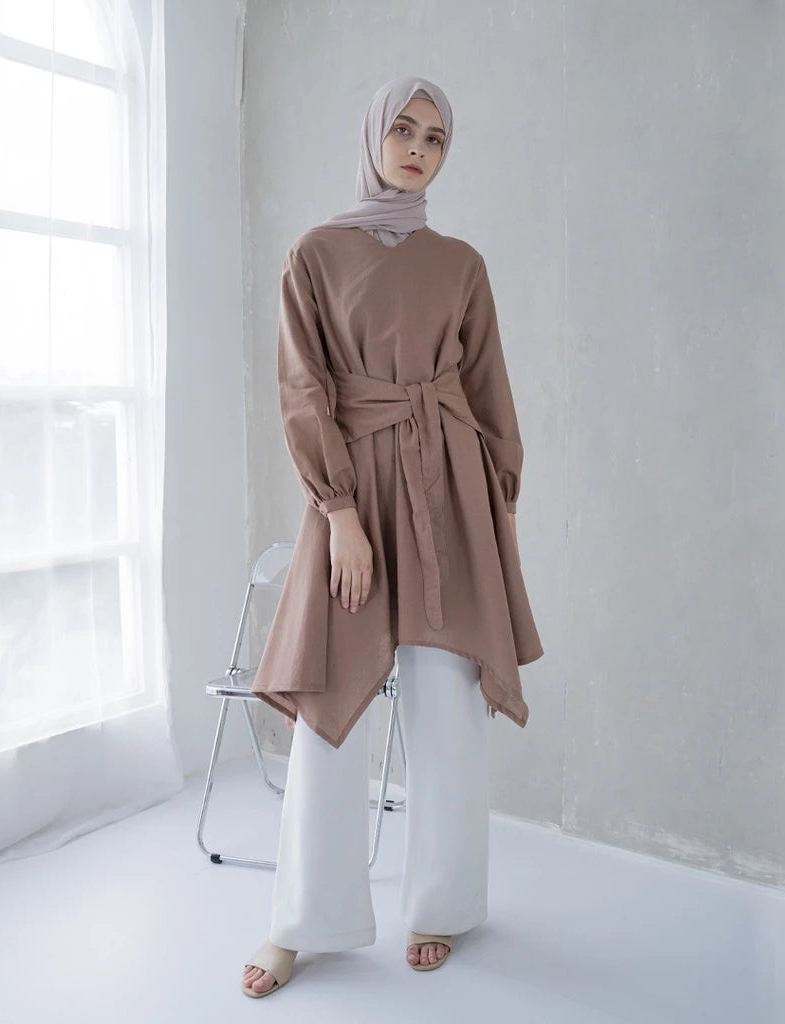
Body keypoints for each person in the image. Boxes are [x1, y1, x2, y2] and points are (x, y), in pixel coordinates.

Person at [242, 75, 544, 999]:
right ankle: (305, 922)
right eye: (404, 129)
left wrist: (493, 505)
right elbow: (304, 391)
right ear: (373, 133)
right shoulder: (314, 254)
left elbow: (489, 391)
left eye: (438, 137)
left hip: (450, 487)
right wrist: (338, 515)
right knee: (334, 708)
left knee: (446, 708)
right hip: (358, 494)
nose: (418, 146)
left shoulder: (461, 263)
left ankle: (440, 906)